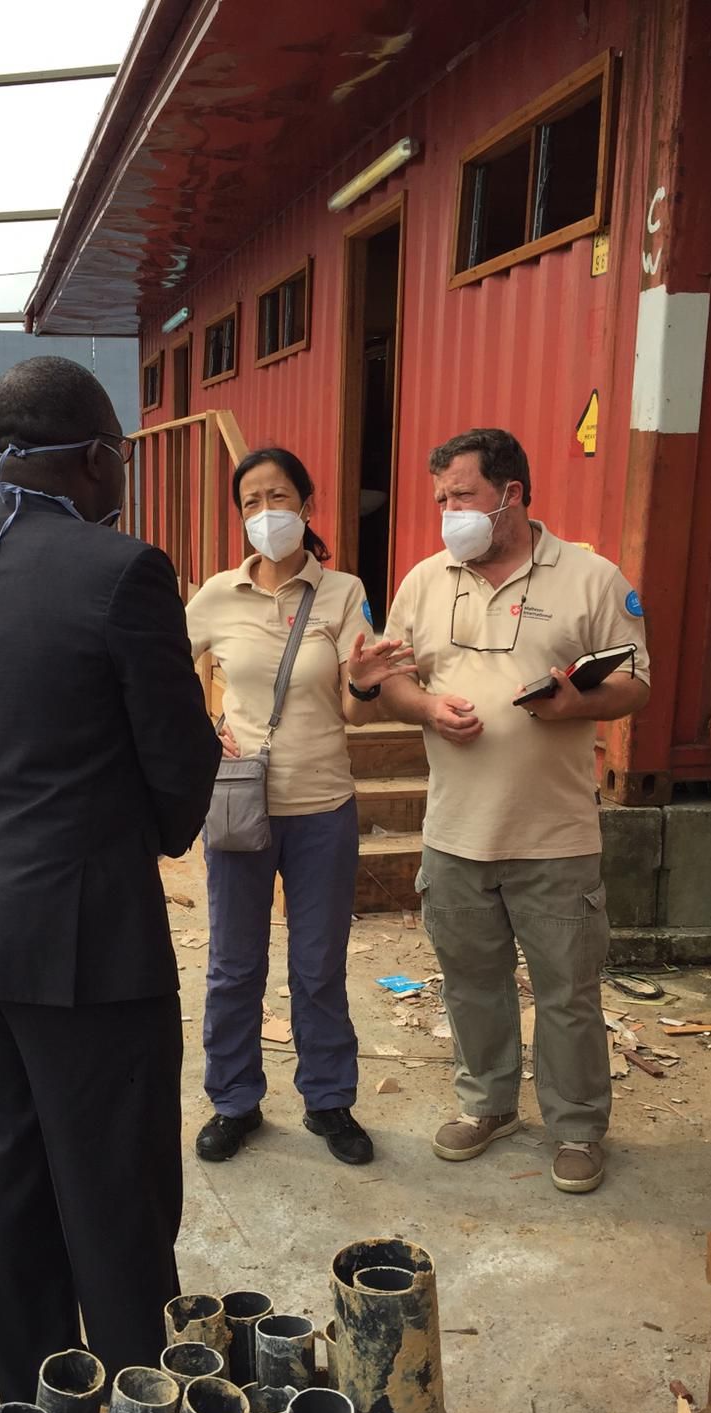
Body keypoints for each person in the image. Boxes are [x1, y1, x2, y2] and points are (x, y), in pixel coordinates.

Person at [0, 356, 220, 1401]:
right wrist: (153, 826)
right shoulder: (123, 572)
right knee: (116, 1195)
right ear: (92, 457)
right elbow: (178, 765)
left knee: (15, 1181)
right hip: (88, 942)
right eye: (118, 453)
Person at [381, 428, 650, 1194]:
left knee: (568, 993)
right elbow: (390, 681)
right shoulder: (425, 581)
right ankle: (488, 1104)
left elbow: (636, 682)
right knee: (471, 982)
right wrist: (426, 707)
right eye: (441, 499)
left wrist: (575, 703)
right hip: (454, 835)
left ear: (512, 494)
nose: (449, 512)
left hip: (554, 836)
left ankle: (577, 1127)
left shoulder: (591, 578)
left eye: (462, 496)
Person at [185, 447, 412, 1167]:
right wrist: (204, 732)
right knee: (233, 966)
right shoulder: (216, 596)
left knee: (318, 966)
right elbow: (161, 675)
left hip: (322, 807)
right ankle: (234, 1101)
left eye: (278, 496)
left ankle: (328, 1100)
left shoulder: (342, 592)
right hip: (238, 805)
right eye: (250, 501)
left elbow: (355, 710)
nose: (265, 512)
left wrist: (366, 682)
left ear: (307, 507)